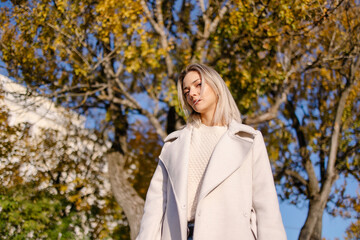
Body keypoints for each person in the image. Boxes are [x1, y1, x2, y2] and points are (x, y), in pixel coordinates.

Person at [136, 63, 286, 240]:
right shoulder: (173, 145)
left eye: (198, 84)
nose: (192, 93)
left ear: (216, 85)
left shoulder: (249, 140)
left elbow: (266, 206)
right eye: (186, 91)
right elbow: (155, 207)